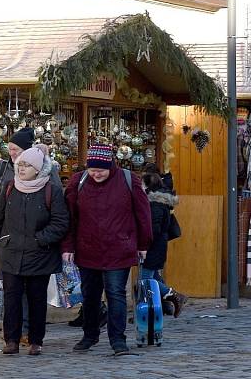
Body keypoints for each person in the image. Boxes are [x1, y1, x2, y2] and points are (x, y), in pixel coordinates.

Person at [62, 144, 153, 356]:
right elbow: (69, 217)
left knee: (116, 294)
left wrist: (143, 244)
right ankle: (90, 335)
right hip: (87, 247)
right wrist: (68, 246)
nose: (96, 174)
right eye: (92, 170)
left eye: (100, 170)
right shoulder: (79, 181)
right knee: (90, 295)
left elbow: (143, 214)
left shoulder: (128, 179)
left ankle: (118, 340)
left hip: (118, 247)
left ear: (110, 165)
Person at [0, 128, 62, 344]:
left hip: (37, 247)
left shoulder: (47, 174)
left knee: (34, 294)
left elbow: (60, 212)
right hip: (10, 242)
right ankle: (12, 335)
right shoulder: (4, 170)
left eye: (17, 150)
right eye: (11, 150)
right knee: (12, 292)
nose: (13, 155)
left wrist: (42, 239)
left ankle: (30, 335)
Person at [140, 173, 188, 317]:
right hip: (157, 246)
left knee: (146, 280)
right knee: (153, 277)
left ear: (148, 186)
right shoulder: (161, 201)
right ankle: (155, 309)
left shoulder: (155, 204)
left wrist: (143, 243)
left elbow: (153, 229)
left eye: (142, 184)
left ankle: (173, 295)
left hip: (153, 247)